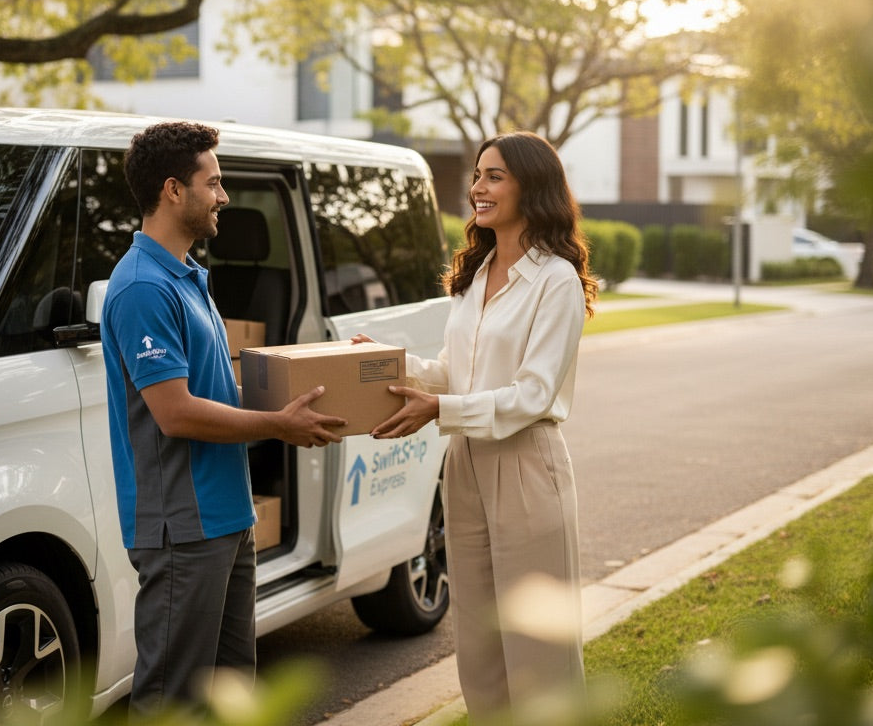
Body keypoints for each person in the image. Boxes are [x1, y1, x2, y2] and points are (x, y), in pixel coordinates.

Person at [100, 120, 345, 718]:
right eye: (212, 183)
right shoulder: (142, 287)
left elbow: (214, 391)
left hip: (226, 515)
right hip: (183, 526)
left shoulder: (187, 276)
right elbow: (176, 413)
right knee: (173, 700)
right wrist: (278, 426)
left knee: (232, 693)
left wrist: (311, 389)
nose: (223, 195)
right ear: (173, 190)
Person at [353, 130, 597, 722]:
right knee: (479, 642)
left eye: (494, 176)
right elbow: (453, 370)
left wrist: (440, 410)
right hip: (463, 462)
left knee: (537, 649)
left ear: (530, 187)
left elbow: (533, 394)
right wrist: (387, 363)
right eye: (477, 175)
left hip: (526, 464)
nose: (477, 188)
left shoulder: (556, 280)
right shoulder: (475, 273)